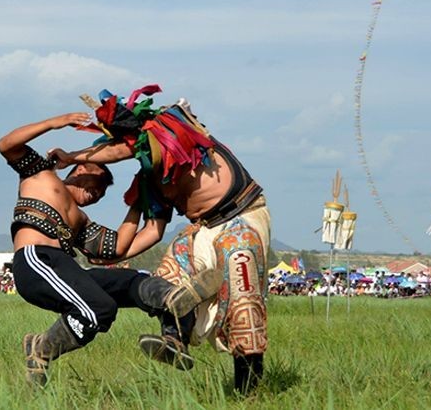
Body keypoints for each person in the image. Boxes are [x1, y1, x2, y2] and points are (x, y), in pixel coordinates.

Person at [48, 85, 271, 393]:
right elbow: (154, 230)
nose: (99, 190)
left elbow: (126, 148)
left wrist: (70, 155)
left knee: (241, 300)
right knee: (169, 273)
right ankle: (174, 340)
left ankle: (248, 392)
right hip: (203, 228)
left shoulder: (170, 127)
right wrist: (115, 256)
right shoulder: (152, 175)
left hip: (240, 217)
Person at [0, 111, 218, 386]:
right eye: (99, 181)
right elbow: (7, 145)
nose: (99, 193)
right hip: (36, 261)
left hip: (62, 266)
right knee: (97, 309)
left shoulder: (77, 222)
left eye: (103, 192)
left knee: (129, 280)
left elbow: (120, 247)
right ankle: (40, 349)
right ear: (82, 168)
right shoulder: (41, 176)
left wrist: (141, 201)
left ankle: (170, 302)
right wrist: (54, 123)